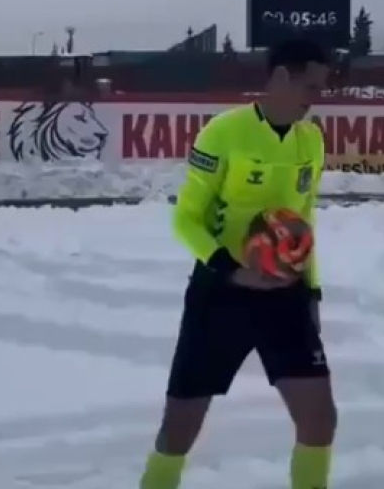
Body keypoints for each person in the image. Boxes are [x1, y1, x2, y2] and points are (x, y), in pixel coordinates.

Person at [138, 38, 335, 489]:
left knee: (320, 418)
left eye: (322, 89)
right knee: (178, 429)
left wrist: (312, 292)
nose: (315, 98)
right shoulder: (223, 132)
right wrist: (232, 270)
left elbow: (304, 221)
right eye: (310, 86)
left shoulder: (312, 140)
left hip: (285, 292)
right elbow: (186, 220)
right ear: (281, 77)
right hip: (220, 293)